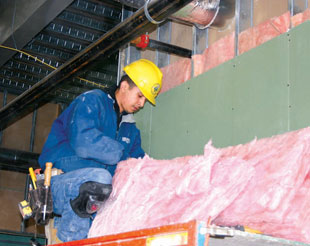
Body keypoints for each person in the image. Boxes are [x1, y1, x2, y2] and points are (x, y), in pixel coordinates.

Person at [38, 59, 163, 242]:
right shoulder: (92, 100)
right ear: (124, 86)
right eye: (140, 96)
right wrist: (122, 156)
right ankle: (71, 240)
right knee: (101, 180)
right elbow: (83, 142)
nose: (142, 104)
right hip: (59, 184)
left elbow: (138, 163)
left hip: (92, 194)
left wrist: (161, 174)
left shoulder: (130, 129)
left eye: (145, 99)